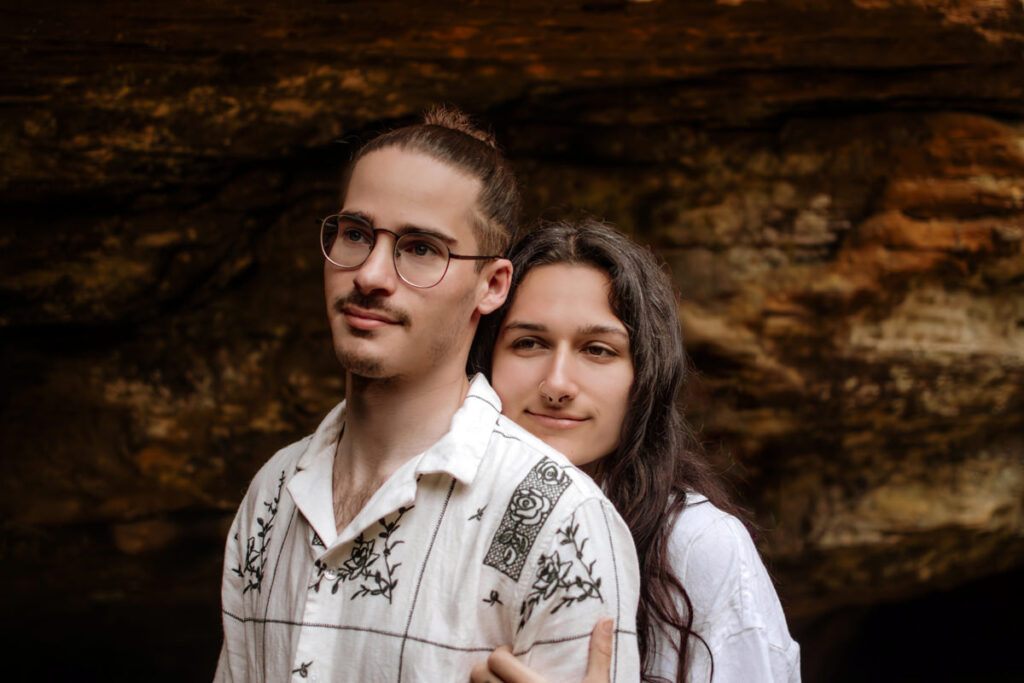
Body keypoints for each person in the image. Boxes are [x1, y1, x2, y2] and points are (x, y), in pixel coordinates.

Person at [214, 113, 641, 681]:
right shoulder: (272, 493)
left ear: (492, 285)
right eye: (356, 234)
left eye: (419, 249)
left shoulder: (562, 520)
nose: (370, 274)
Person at [469, 219, 801, 682]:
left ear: (645, 376)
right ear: (484, 360)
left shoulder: (695, 546)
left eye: (598, 350)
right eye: (529, 343)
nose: (558, 384)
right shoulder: (440, 513)